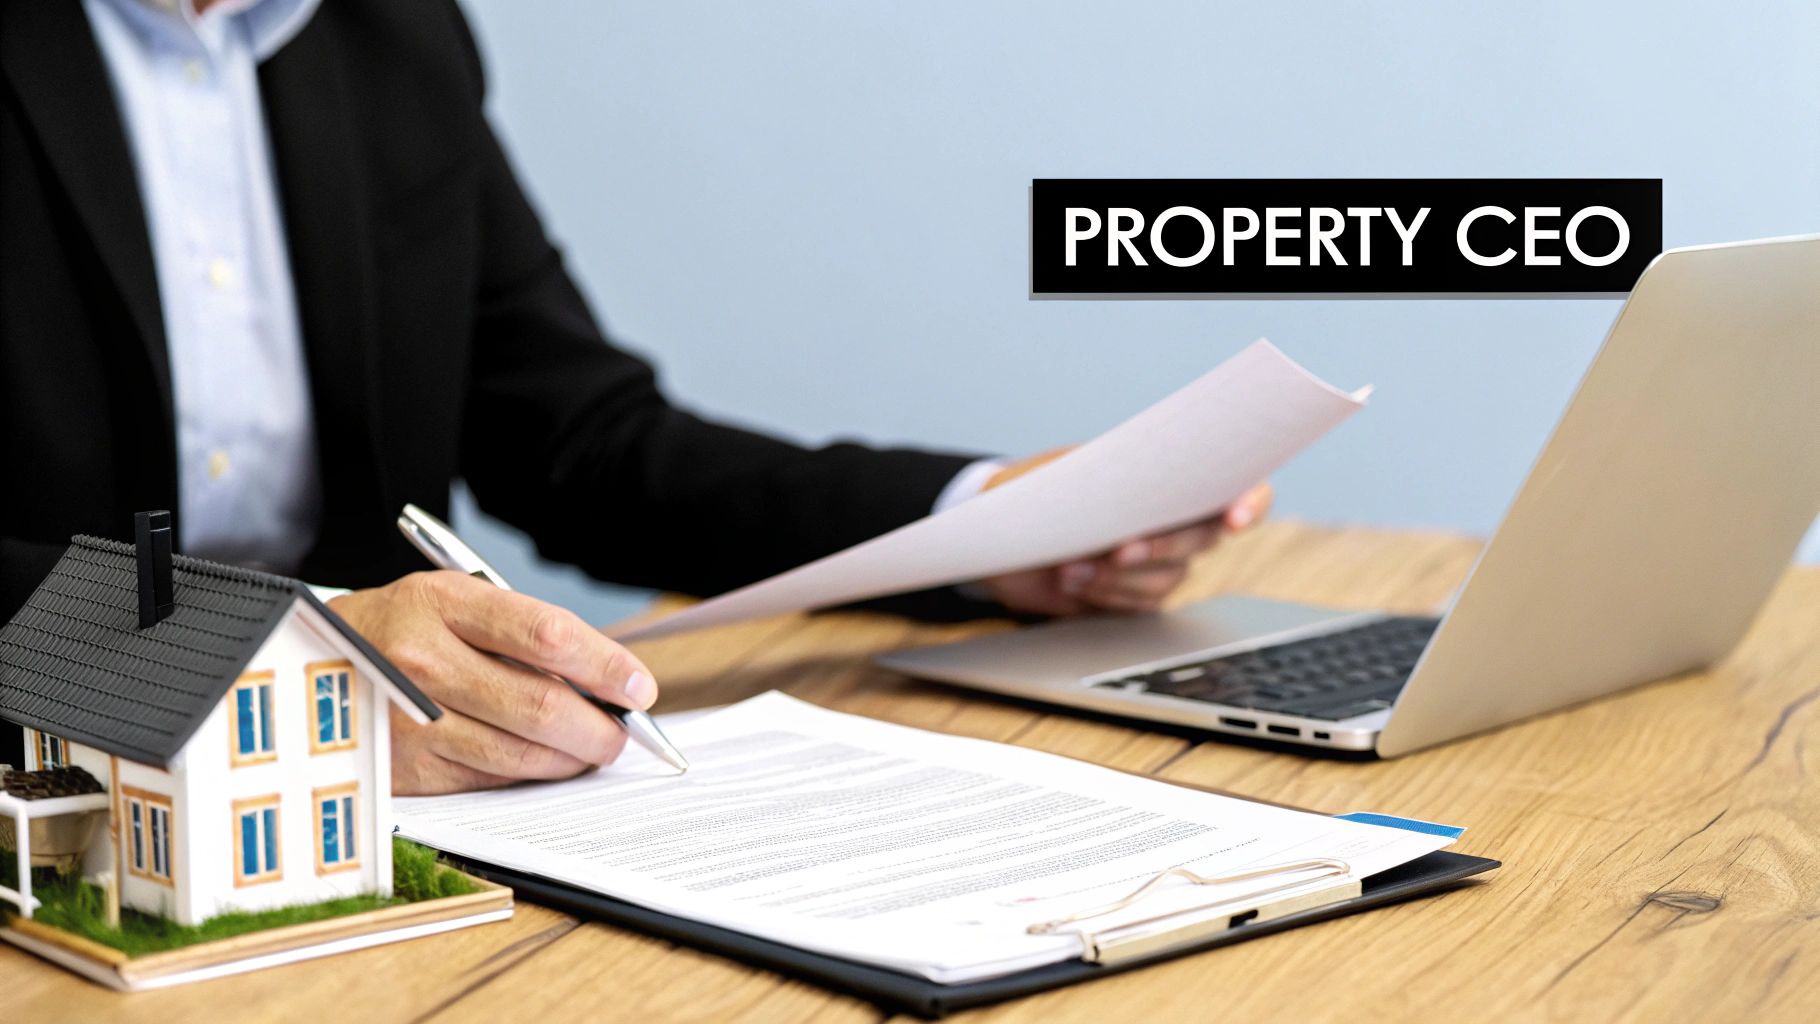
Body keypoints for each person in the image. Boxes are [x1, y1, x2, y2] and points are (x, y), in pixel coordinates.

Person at [0, 0, 1271, 790]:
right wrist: (277, 671)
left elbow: (578, 443)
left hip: (393, 828)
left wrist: (984, 521)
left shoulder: (389, 34)